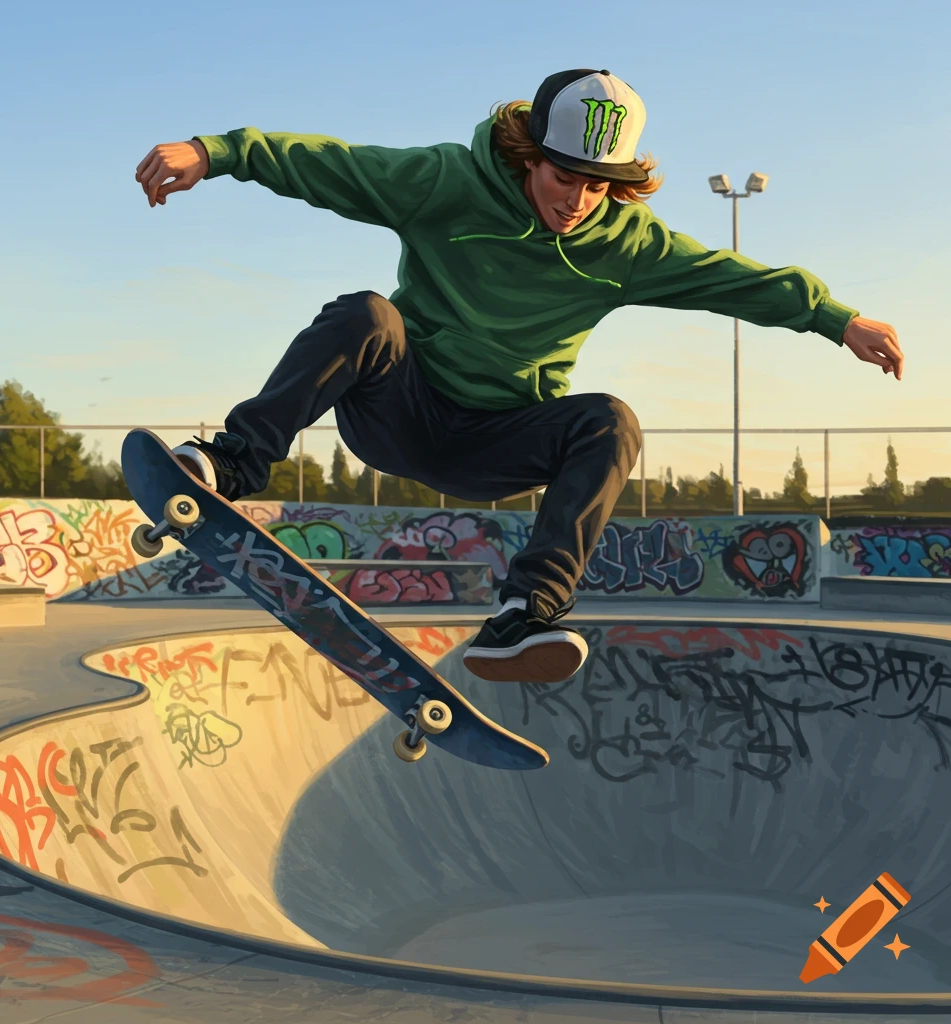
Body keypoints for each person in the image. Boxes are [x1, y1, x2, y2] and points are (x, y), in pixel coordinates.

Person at [134, 69, 903, 686]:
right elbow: (332, 167)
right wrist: (217, 152)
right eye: (563, 176)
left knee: (610, 421)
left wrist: (837, 320)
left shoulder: (625, 245)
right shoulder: (447, 183)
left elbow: (730, 278)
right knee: (367, 313)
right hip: (399, 409)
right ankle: (231, 463)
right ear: (528, 154)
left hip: (496, 444)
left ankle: (526, 614)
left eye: (598, 185)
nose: (576, 199)